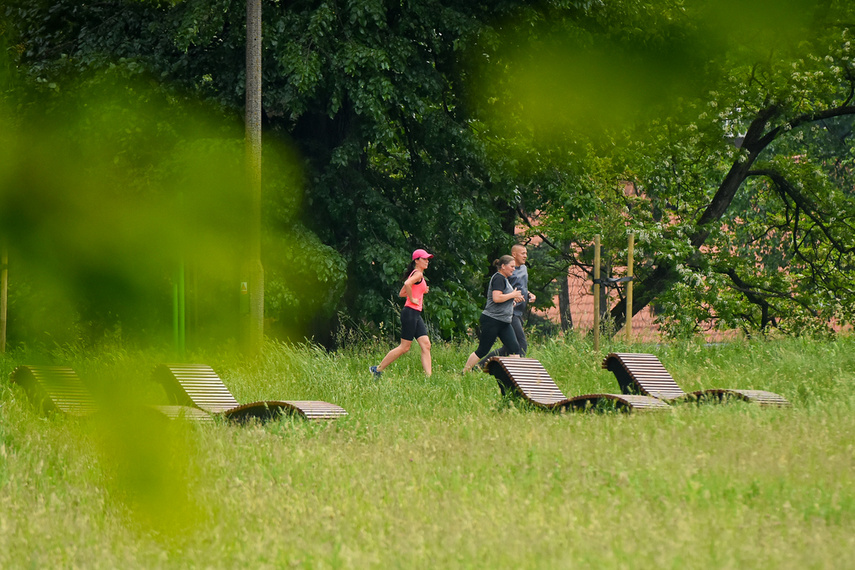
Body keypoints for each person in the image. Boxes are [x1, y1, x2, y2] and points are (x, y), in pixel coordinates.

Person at [370, 249, 433, 378]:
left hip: (415, 314)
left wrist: (421, 291)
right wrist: (413, 299)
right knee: (404, 347)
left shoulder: (416, 274)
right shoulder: (418, 275)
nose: (427, 261)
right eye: (424, 259)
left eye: (427, 259)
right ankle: (377, 369)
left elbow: (402, 293)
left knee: (426, 344)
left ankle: (429, 378)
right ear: (416, 260)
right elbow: (407, 284)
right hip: (410, 313)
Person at [462, 255, 525, 373]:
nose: (514, 269)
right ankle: (464, 373)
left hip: (504, 322)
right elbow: (496, 298)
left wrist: (513, 300)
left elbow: (503, 298)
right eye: (511, 266)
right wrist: (512, 295)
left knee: (514, 348)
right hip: (492, 320)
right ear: (503, 266)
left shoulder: (504, 279)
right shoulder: (498, 278)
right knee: (483, 350)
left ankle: (515, 377)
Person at [478, 244, 536, 366]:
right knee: (521, 344)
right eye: (523, 253)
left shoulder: (524, 268)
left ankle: (482, 366)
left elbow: (520, 288)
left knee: (509, 347)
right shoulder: (507, 273)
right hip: (509, 312)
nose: (525, 256)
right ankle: (517, 371)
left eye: (526, 253)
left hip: (519, 312)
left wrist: (529, 294)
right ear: (514, 254)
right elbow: (503, 290)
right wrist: (513, 296)